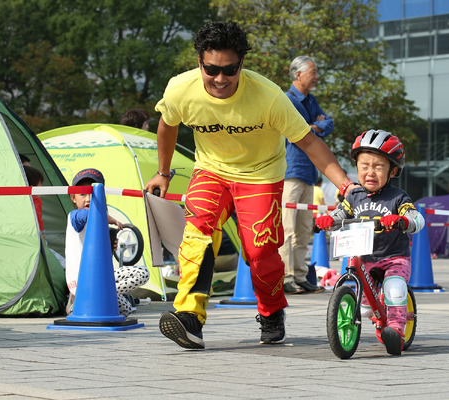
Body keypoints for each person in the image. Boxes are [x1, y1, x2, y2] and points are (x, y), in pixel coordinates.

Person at [144, 20, 356, 349]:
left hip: (260, 175)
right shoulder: (180, 89)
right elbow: (167, 125)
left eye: (229, 70)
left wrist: (345, 186)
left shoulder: (269, 97)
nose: (219, 79)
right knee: (197, 234)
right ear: (199, 61)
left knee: (260, 253)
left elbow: (311, 144)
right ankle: (189, 316)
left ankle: (271, 312)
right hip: (211, 170)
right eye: (211, 69)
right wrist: (163, 172)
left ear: (241, 63)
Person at [315, 129, 425, 355]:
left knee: (394, 289)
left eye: (378, 167)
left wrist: (402, 221)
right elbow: (341, 214)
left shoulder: (398, 197)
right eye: (364, 166)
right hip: (364, 258)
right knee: (365, 306)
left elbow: (417, 218)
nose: (370, 172)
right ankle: (375, 320)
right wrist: (329, 220)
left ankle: (396, 329)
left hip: (394, 257)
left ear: (393, 170)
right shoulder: (354, 196)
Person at [280, 56, 333, 295]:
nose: (317, 76)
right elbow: (294, 130)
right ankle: (286, 277)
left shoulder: (310, 100)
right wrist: (314, 125)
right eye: (313, 71)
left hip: (309, 173)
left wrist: (314, 126)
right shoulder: (287, 100)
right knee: (287, 228)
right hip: (291, 171)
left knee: (303, 229)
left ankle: (300, 276)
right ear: (298, 74)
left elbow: (328, 123)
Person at [66, 168, 150, 317]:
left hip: (97, 277)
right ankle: (85, 299)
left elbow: (100, 262)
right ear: (73, 198)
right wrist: (108, 218)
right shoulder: (74, 216)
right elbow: (84, 215)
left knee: (126, 310)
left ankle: (88, 302)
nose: (87, 199)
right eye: (82, 194)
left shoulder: (100, 224)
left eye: (92, 194)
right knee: (142, 273)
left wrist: (109, 248)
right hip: (82, 281)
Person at [24, 165, 45, 232]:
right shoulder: (35, 201)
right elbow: (38, 219)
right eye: (40, 185)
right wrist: (42, 232)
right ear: (32, 188)